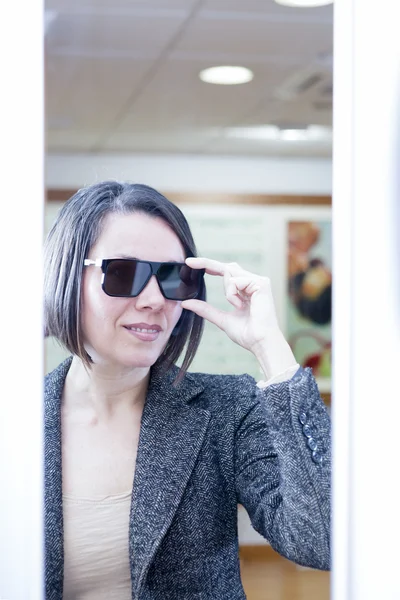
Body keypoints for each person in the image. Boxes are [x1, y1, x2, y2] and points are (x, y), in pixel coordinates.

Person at [44, 181, 331, 600]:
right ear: (67, 276)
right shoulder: (16, 419)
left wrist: (271, 347)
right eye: (123, 273)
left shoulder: (228, 409)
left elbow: (323, 540)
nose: (154, 299)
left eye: (173, 278)